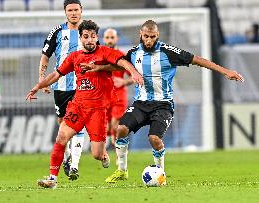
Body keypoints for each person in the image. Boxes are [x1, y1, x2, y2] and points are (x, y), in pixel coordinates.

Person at [102, 20, 244, 183]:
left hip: (163, 105)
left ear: (158, 36)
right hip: (140, 104)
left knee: (154, 139)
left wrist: (225, 71)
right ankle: (122, 170)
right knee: (120, 129)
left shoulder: (168, 52)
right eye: (146, 36)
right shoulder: (134, 52)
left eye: (153, 37)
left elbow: (197, 59)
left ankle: (161, 173)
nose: (149, 40)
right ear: (140, 34)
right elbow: (120, 66)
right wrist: (98, 68)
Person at [26, 20, 144, 189]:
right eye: (86, 37)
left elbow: (122, 62)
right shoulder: (74, 57)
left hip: (97, 111)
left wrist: (133, 72)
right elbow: (56, 74)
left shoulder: (104, 52)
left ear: (97, 37)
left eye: (93, 36)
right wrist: (39, 86)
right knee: (61, 136)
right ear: (80, 38)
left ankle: (103, 155)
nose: (90, 40)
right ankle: (52, 178)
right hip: (78, 106)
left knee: (96, 154)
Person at [39, 0, 85, 180]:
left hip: (82, 86)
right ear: (65, 12)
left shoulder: (88, 32)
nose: (73, 13)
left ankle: (74, 164)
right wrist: (42, 81)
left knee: (78, 122)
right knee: (63, 124)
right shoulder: (57, 32)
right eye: (70, 10)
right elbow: (45, 57)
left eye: (76, 10)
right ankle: (66, 158)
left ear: (81, 11)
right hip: (61, 86)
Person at [102, 28, 133, 149]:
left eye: (112, 38)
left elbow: (135, 77)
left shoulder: (122, 57)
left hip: (119, 95)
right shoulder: (100, 56)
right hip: (103, 96)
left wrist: (124, 81)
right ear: (104, 39)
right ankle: (115, 151)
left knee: (116, 126)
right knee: (107, 128)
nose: (110, 40)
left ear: (117, 39)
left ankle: (119, 156)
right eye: (108, 38)